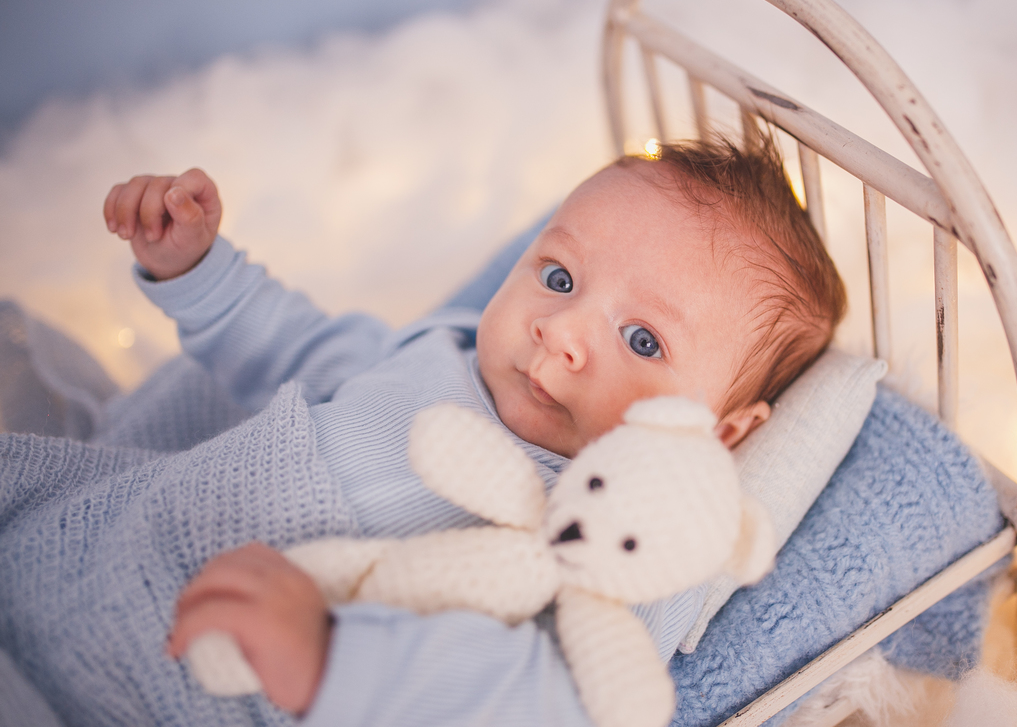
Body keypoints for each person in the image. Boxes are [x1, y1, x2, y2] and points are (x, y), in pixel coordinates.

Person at [0, 137, 844, 726]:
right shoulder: (440, 351)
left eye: (643, 340)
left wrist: (332, 660)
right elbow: (290, 344)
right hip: (93, 551)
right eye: (557, 277)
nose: (562, 331)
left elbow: (545, 703)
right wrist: (198, 269)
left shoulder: (626, 548)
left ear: (721, 431)